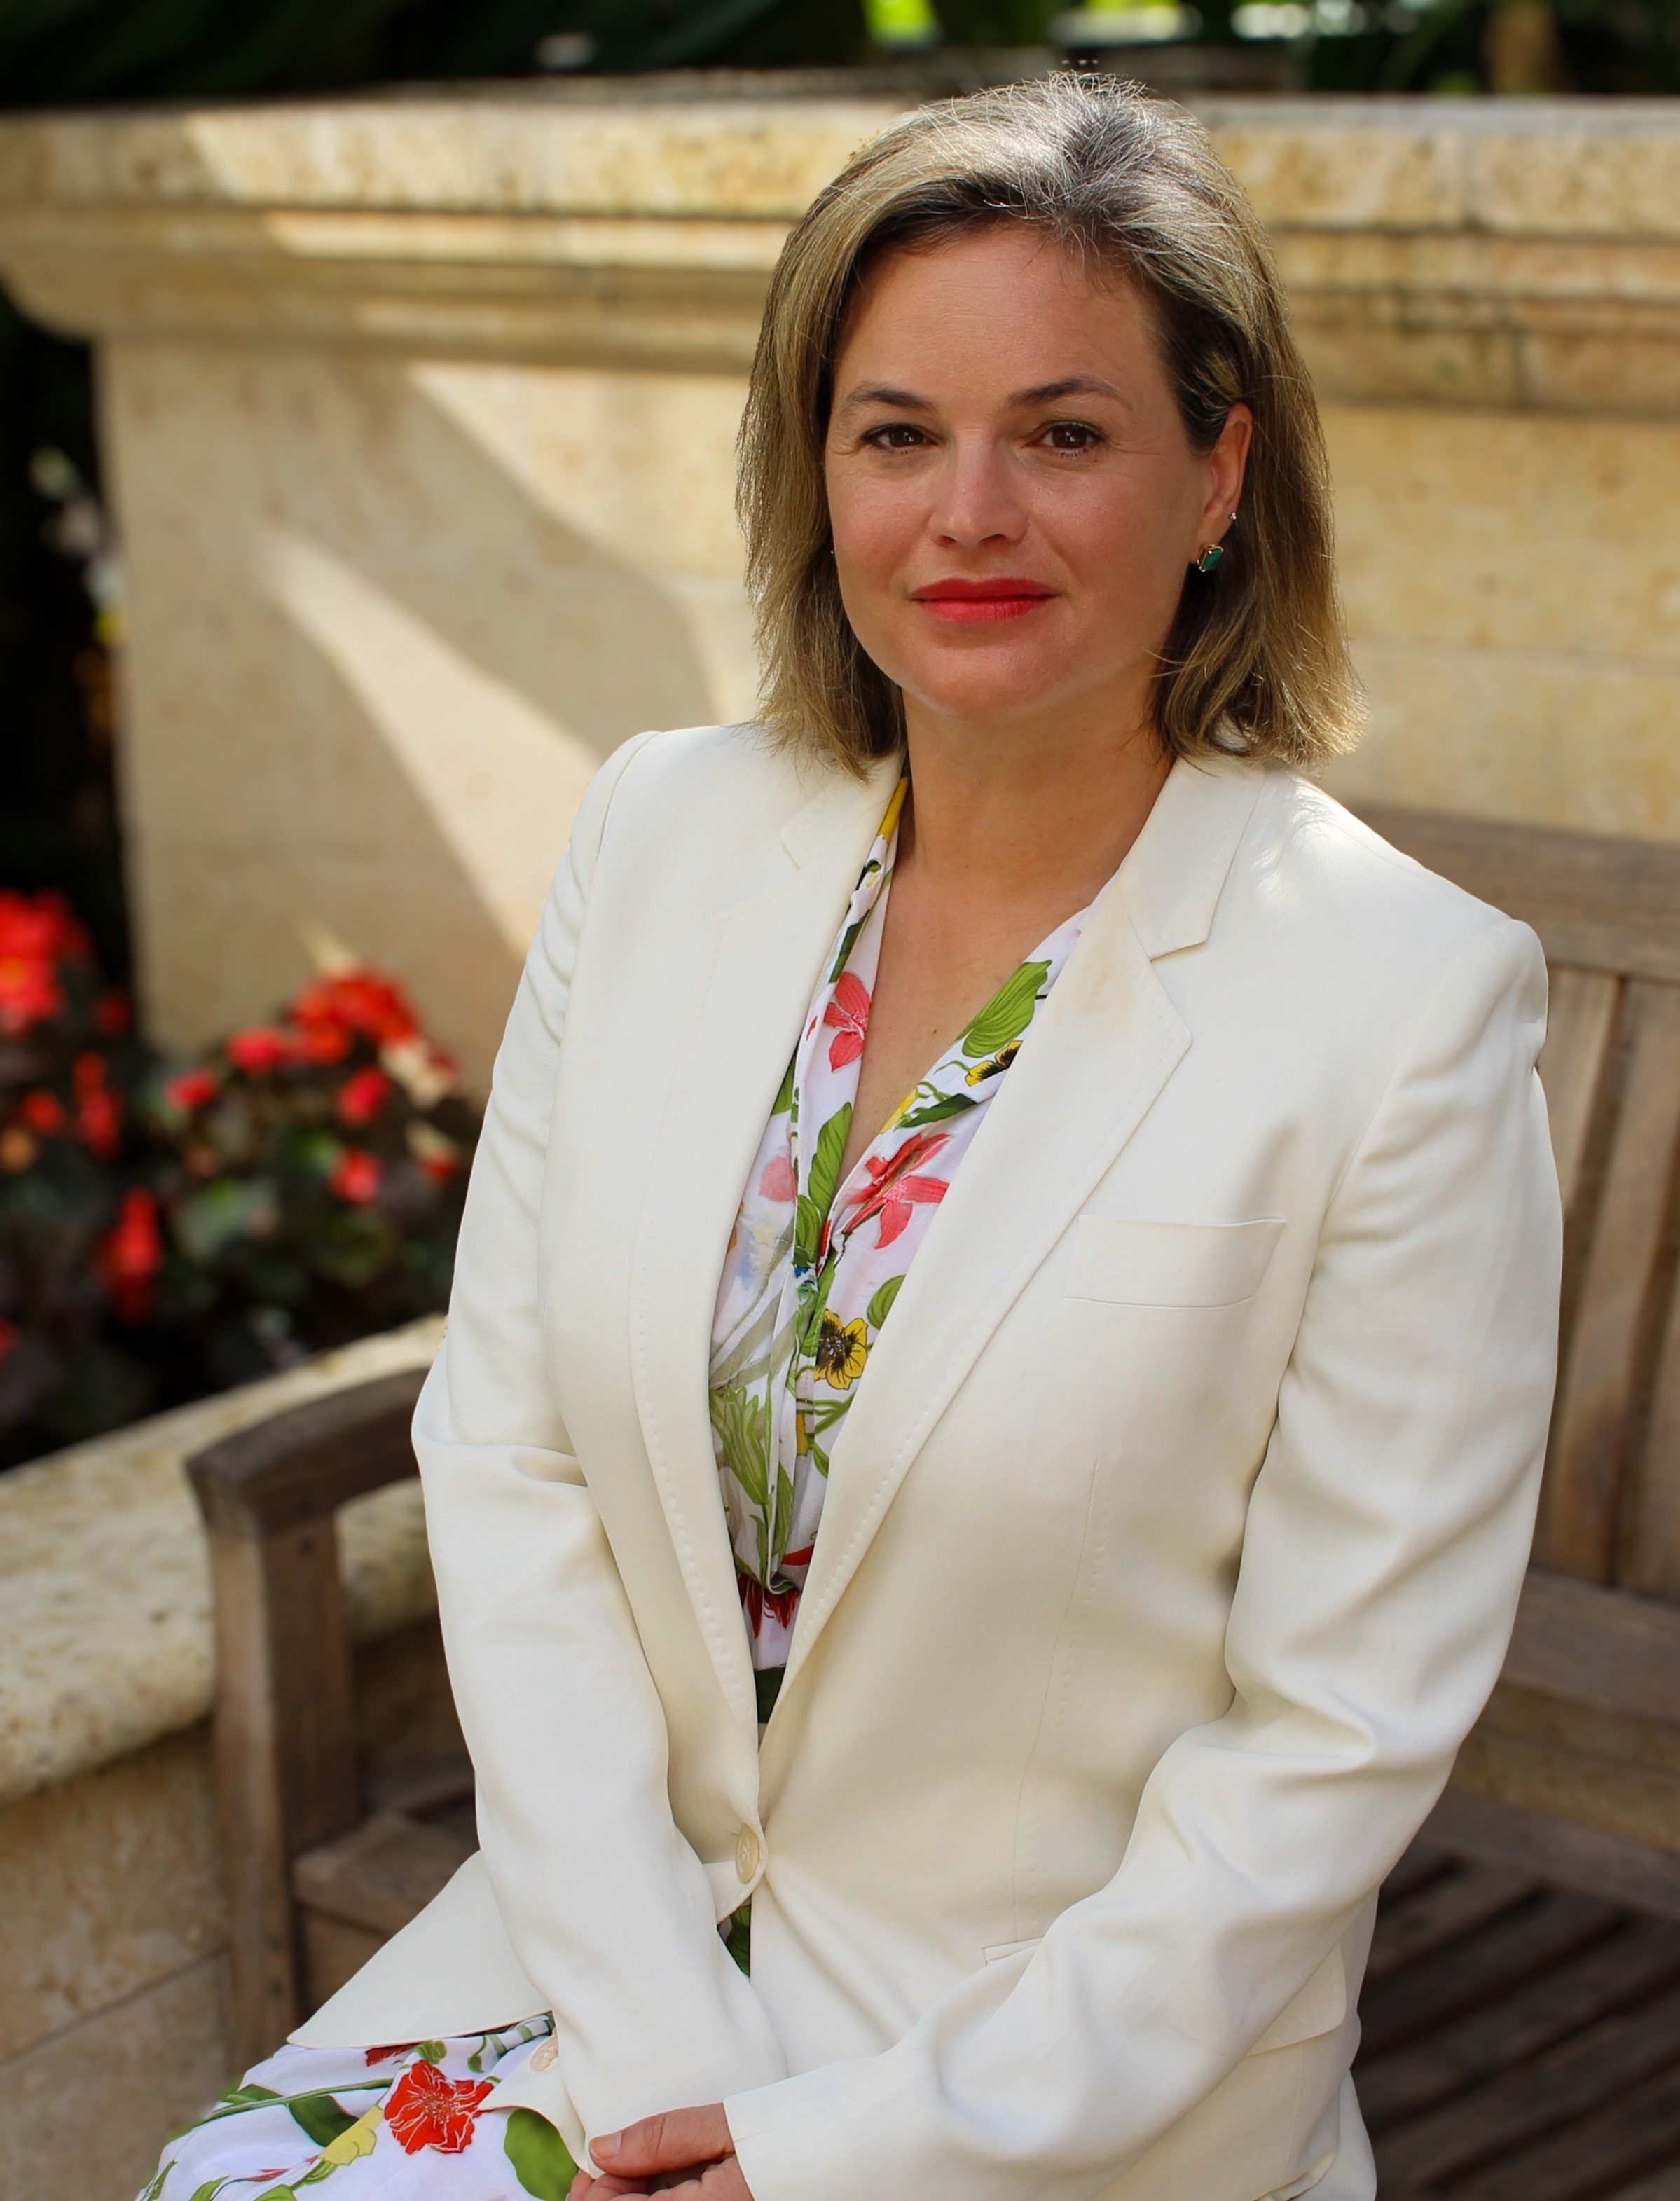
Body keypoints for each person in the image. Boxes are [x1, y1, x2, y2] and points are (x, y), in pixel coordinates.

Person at [138, 70, 1560, 2201]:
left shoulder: (1401, 1003)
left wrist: (829, 2154)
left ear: (1218, 474)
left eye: (1064, 434)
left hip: (1045, 2082)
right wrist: (650, 2043)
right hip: (616, 1963)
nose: (965, 513)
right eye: (897, 432)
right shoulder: (662, 829)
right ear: (820, 473)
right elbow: (507, 1444)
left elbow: (1327, 1751)